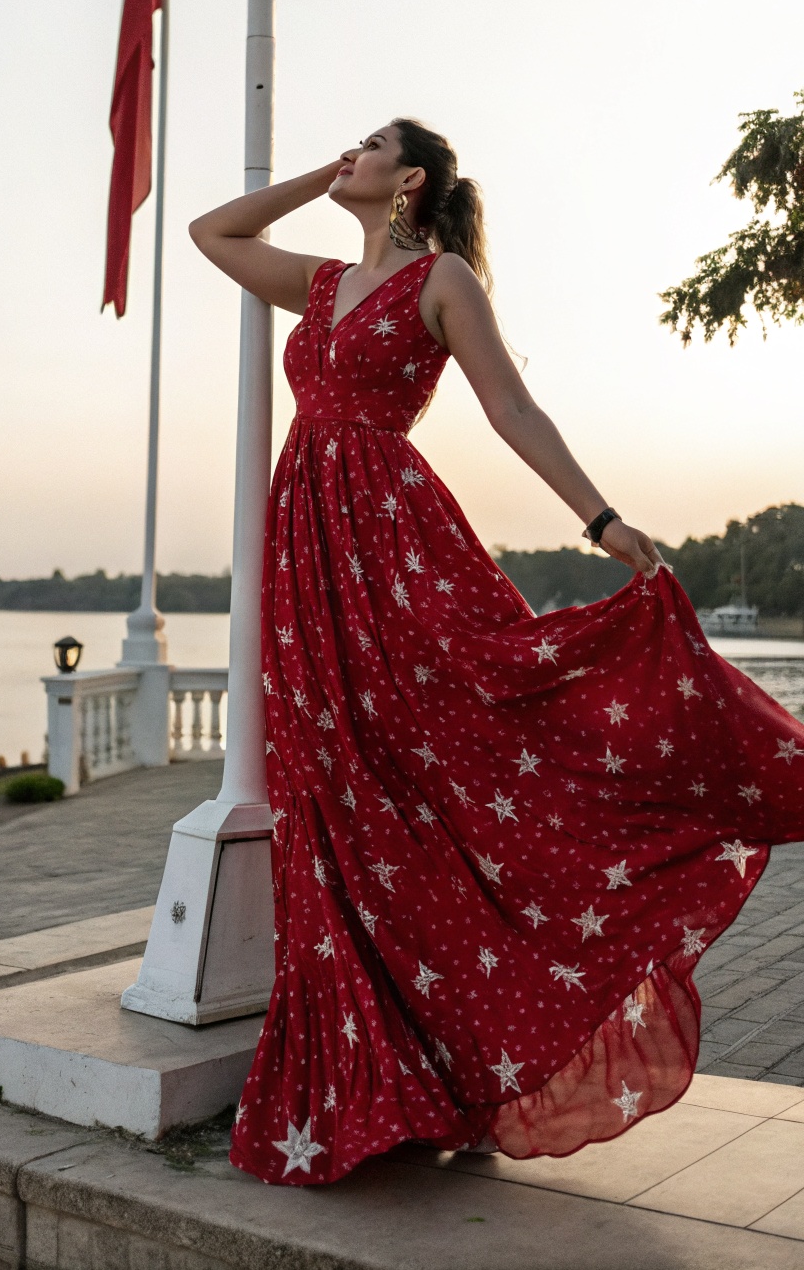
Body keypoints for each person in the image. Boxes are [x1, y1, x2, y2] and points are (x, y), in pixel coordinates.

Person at [190, 118, 804, 1187]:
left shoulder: (444, 282)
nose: (350, 152)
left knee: (452, 757)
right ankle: (387, 1075)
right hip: (304, 554)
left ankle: (705, 796)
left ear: (411, 177)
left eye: (367, 146)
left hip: (389, 537)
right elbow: (212, 231)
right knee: (333, 797)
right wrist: (319, 178)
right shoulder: (324, 281)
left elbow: (510, 403)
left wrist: (599, 516)